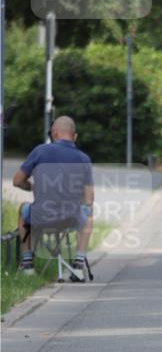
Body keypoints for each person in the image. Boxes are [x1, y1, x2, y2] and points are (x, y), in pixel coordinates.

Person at [12, 115, 94, 281]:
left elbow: (17, 181)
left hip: (41, 217)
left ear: (54, 133)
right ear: (74, 136)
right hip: (71, 219)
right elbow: (89, 199)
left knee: (22, 209)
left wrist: (33, 187)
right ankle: (78, 265)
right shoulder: (84, 159)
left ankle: (27, 264)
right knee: (89, 213)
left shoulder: (39, 151)